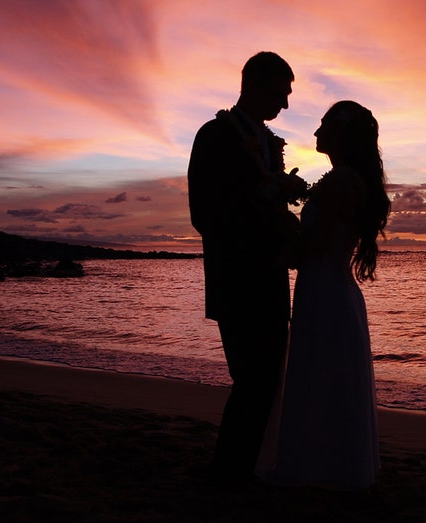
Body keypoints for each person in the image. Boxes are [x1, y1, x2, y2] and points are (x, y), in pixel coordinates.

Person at [258, 100, 390, 490]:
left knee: (321, 373)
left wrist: (277, 223)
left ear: (341, 135)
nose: (315, 133)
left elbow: (308, 249)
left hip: (325, 292)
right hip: (331, 289)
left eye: (323, 126)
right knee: (328, 376)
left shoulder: (339, 181)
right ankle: (332, 463)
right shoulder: (346, 179)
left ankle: (318, 467)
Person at [187, 51, 306, 483]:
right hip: (237, 279)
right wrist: (266, 199)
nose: (286, 105)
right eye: (281, 93)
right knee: (251, 378)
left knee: (267, 378)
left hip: (271, 279)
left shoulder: (270, 144)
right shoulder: (215, 135)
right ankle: (230, 473)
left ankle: (247, 467)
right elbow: (205, 214)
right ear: (255, 84)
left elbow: (272, 209)